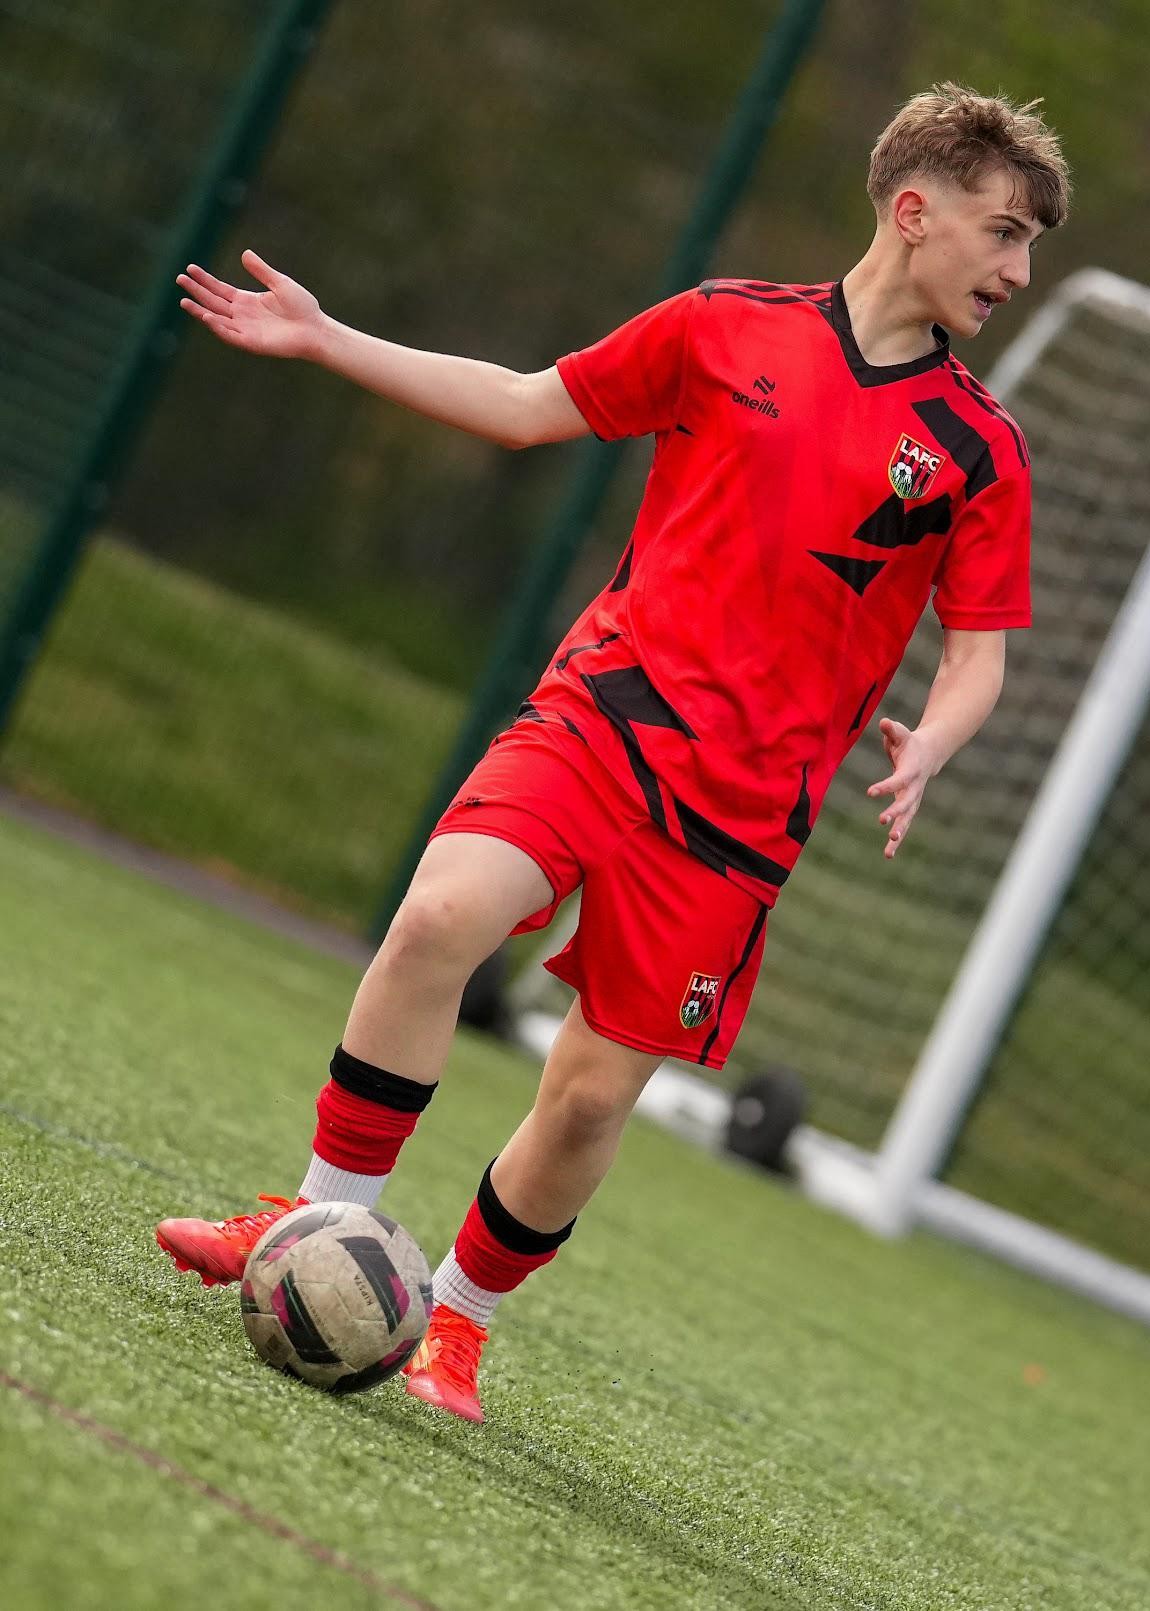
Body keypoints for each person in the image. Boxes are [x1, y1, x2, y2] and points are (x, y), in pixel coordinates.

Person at [156, 83, 1070, 1421]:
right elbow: (525, 405)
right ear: (914, 208)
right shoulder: (721, 325)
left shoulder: (979, 450)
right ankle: (307, 1222)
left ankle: (456, 1324)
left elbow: (979, 656)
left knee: (588, 1102)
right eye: (1005, 234)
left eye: (1030, 245)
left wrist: (933, 736)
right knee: (440, 918)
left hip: (741, 814)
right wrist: (326, 336)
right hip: (606, 716)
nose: (1019, 272)